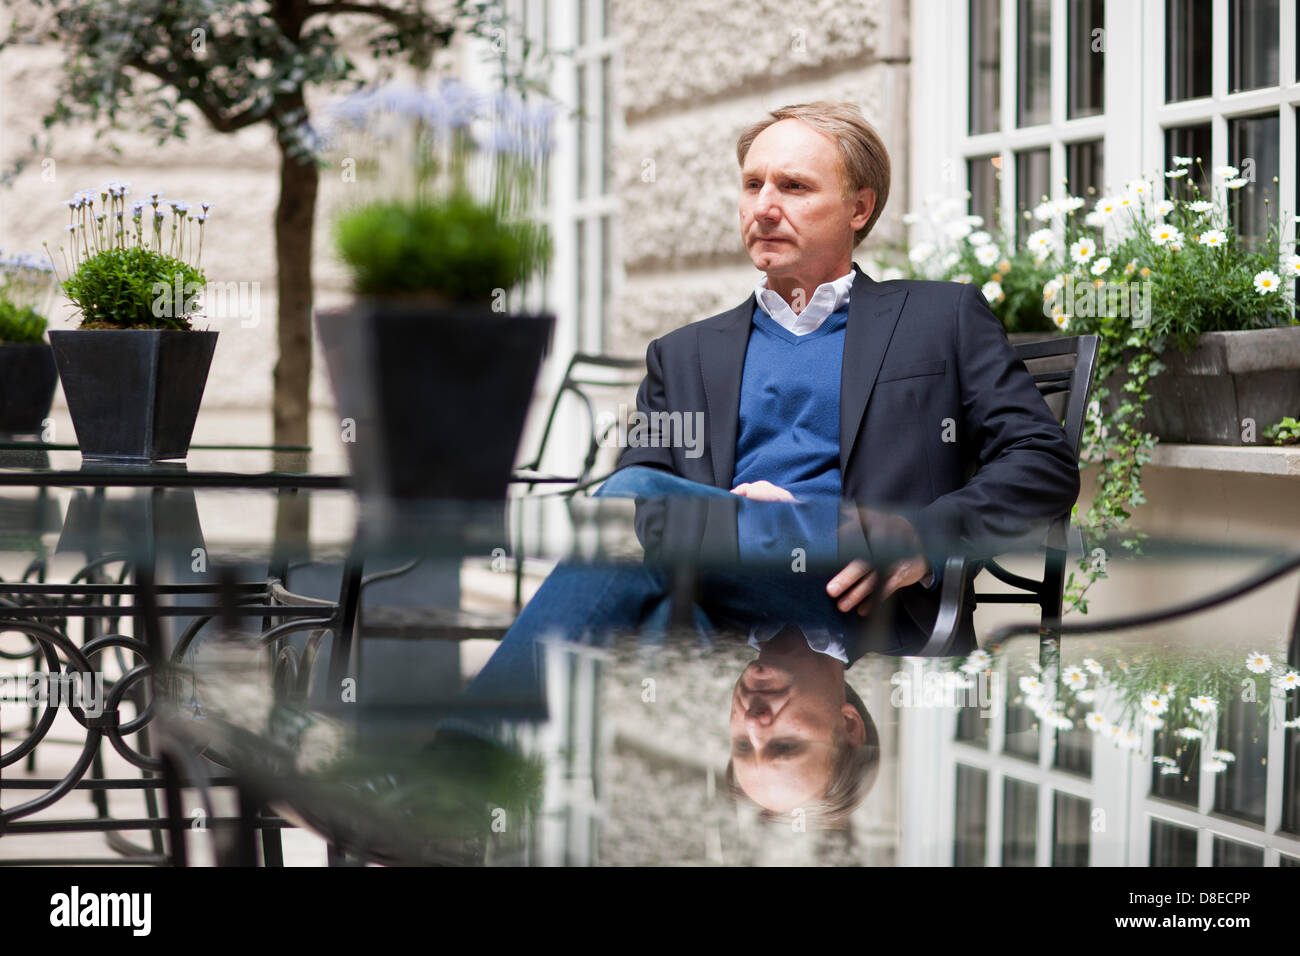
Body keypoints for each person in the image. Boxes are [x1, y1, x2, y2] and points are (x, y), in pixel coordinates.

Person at [468, 99, 1080, 822]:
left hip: (858, 597)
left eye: (792, 187)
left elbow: (1044, 460)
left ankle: (463, 771)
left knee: (634, 508)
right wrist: (731, 522)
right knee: (637, 509)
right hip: (716, 602)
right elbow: (641, 511)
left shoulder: (938, 320)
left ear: (859, 206)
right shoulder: (687, 354)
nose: (763, 206)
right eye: (752, 185)